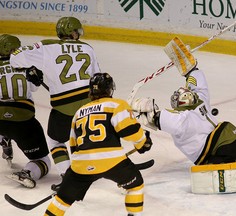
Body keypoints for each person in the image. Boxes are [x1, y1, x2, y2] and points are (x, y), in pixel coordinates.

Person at [44, 73, 153, 216]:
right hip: (113, 162)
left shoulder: (79, 112)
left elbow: (73, 145)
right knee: (135, 186)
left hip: (81, 165)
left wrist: (82, 169)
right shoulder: (117, 105)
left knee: (61, 200)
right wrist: (143, 142)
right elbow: (129, 132)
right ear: (110, 89)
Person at [10, 17, 101, 176]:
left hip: (63, 104)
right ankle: (112, 164)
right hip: (89, 101)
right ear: (72, 33)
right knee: (92, 135)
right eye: (76, 31)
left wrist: (30, 69)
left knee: (56, 140)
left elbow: (15, 57)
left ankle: (67, 174)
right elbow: (97, 78)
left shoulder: (46, 46)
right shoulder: (87, 48)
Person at [132, 86, 236, 165]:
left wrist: (140, 107)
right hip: (232, 142)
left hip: (212, 154)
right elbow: (199, 87)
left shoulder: (183, 118)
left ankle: (225, 162)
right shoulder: (201, 101)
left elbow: (155, 118)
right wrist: (192, 71)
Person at [0, 34, 51, 188]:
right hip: (23, 121)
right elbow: (34, 87)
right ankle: (27, 173)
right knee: (43, 161)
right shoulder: (29, 66)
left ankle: (3, 137)